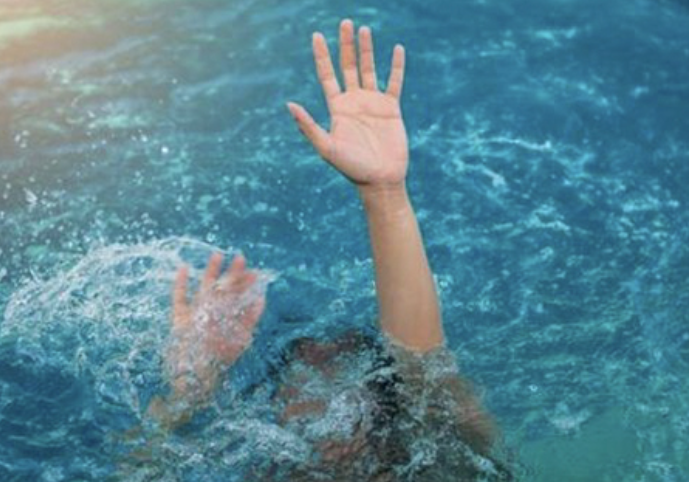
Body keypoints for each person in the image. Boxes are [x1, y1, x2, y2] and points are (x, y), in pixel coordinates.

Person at [148, 19, 516, 481]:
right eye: (299, 380)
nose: (312, 399)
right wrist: (185, 398)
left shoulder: (437, 461)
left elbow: (425, 369)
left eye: (338, 372)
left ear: (387, 413)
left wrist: (385, 196)